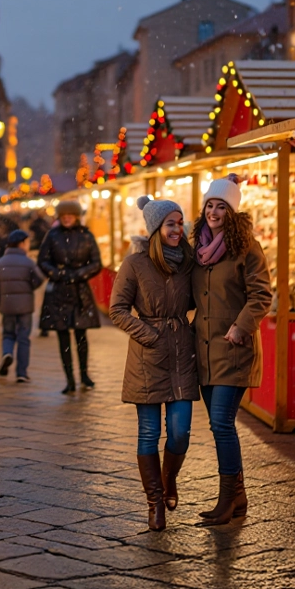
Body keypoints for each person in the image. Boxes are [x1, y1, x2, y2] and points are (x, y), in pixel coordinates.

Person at [109, 197, 198, 531]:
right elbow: (117, 309)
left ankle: (169, 479)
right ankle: (154, 502)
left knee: (180, 433)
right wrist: (149, 334)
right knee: (148, 434)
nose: (177, 229)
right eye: (170, 224)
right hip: (148, 356)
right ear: (156, 228)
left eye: (180, 222)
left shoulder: (190, 262)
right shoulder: (135, 263)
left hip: (181, 353)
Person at [191, 176, 273, 526]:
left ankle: (228, 497)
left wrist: (241, 327)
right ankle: (237, 496)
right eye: (210, 205)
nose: (213, 211)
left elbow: (261, 295)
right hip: (204, 350)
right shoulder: (198, 250)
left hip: (233, 348)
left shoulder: (246, 248)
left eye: (221, 206)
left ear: (232, 212)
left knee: (222, 423)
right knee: (217, 424)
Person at [38, 200, 101, 394]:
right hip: (58, 292)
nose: (66, 218)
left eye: (70, 215)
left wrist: (79, 273)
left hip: (80, 292)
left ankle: (84, 374)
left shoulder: (86, 235)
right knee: (62, 336)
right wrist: (56, 273)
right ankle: (69, 379)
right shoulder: (52, 236)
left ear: (76, 216)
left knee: (81, 336)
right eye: (63, 215)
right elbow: (43, 260)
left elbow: (96, 262)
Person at [0, 229, 44, 383]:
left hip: (7, 305)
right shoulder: (28, 262)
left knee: (8, 333)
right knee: (24, 338)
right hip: (25, 306)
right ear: (22, 243)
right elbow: (39, 279)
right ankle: (21, 373)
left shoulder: (0, 263)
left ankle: (7, 353)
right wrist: (29, 287)